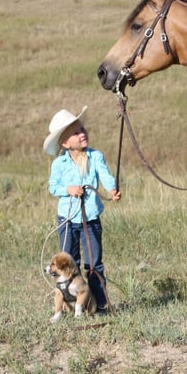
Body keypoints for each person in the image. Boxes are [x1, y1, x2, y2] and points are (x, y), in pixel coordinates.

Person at [44, 106, 121, 314]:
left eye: (82, 129)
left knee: (94, 264)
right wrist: (68, 189)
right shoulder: (59, 164)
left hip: (91, 217)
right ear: (65, 143)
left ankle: (101, 305)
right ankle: (71, 304)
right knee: (69, 262)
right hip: (67, 219)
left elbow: (105, 175)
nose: (82, 134)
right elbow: (53, 187)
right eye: (76, 133)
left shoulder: (96, 156)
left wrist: (112, 189)